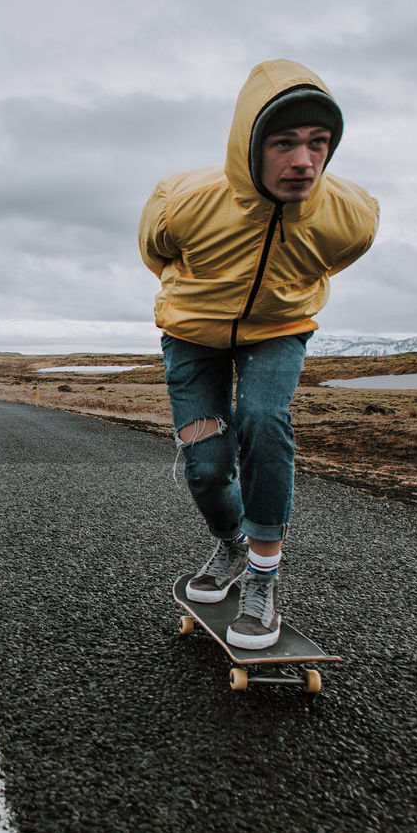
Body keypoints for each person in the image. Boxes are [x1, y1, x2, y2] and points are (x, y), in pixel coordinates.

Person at [138, 60, 379, 649]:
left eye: (318, 145)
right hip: (194, 335)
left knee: (262, 419)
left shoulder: (352, 217)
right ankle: (231, 545)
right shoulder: (182, 201)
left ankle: (263, 578)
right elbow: (157, 254)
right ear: (250, 146)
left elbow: (332, 261)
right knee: (207, 462)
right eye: (284, 143)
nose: (304, 161)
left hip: (279, 328)